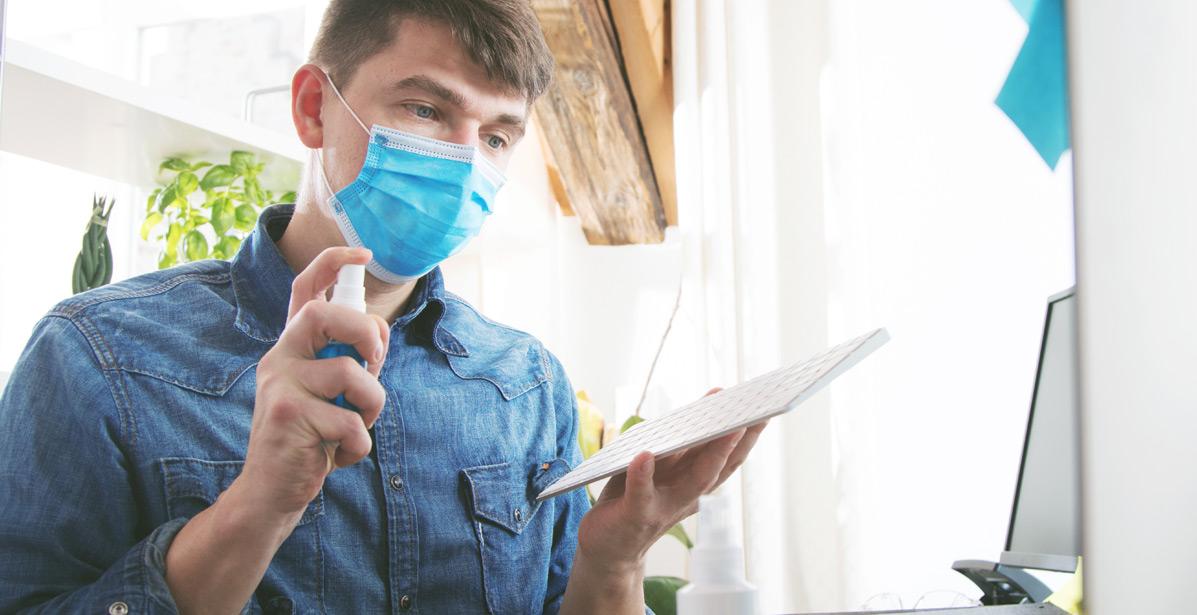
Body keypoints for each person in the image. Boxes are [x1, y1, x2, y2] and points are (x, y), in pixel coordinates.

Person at [0, 1, 765, 612]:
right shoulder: (96, 357)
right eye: (427, 111)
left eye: (497, 137)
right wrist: (258, 504)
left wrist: (617, 558)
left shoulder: (526, 381)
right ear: (312, 109)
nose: (465, 163)